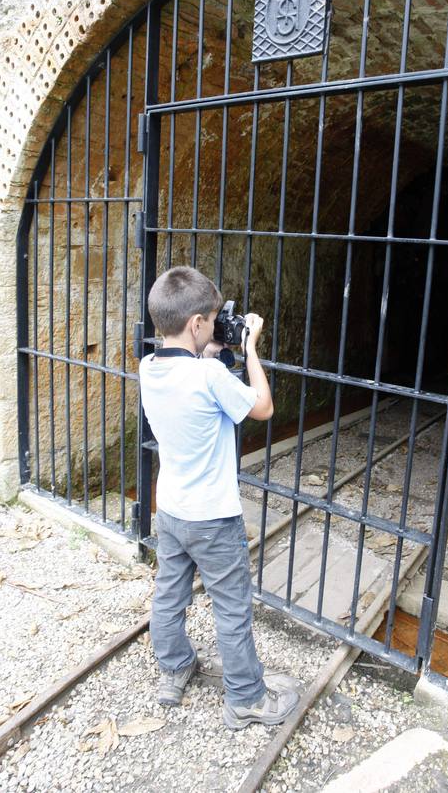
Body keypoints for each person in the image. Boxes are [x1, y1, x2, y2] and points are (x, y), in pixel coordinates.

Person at [138, 265, 299, 730]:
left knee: (169, 595)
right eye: (210, 318)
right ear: (196, 324)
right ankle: (247, 698)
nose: (214, 324)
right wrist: (248, 349)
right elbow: (263, 407)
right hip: (212, 517)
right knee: (231, 606)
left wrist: (211, 348)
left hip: (169, 509)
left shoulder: (149, 368)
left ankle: (174, 669)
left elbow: (188, 368)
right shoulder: (210, 375)